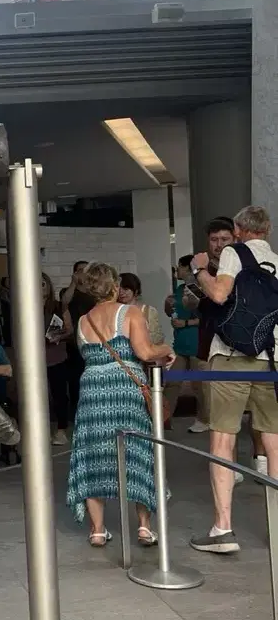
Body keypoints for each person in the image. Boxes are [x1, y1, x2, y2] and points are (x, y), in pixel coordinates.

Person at [189, 206, 278, 554]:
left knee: (223, 439)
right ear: (267, 229)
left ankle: (222, 529)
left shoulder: (232, 253)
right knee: (273, 442)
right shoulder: (276, 259)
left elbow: (220, 293)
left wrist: (199, 270)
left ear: (239, 230)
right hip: (271, 360)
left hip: (231, 358)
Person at [66, 262, 174, 547]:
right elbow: (146, 352)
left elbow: (87, 356)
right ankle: (143, 526)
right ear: (115, 286)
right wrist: (166, 349)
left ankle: (98, 529)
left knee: (93, 454)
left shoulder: (82, 321)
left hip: (91, 391)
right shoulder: (130, 313)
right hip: (125, 390)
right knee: (137, 451)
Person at [164, 255, 208, 434]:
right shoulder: (179, 289)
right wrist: (168, 305)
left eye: (179, 268)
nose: (177, 272)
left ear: (187, 268)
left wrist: (187, 323)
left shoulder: (197, 289)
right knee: (172, 383)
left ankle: (204, 419)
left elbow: (206, 317)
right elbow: (172, 312)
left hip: (197, 343)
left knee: (200, 386)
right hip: (180, 343)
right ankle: (164, 418)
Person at [61, 261, 94, 420]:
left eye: (86, 271)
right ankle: (77, 412)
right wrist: (74, 282)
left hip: (93, 341)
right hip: (74, 342)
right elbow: (64, 302)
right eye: (80, 270)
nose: (83, 274)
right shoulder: (69, 292)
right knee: (75, 379)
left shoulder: (94, 293)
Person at [43, 273, 70, 445]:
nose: (40, 288)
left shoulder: (58, 307)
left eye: (43, 284)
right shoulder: (25, 306)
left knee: (59, 394)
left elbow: (70, 329)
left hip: (56, 356)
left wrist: (58, 336)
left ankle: (61, 430)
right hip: (34, 359)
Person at [118, 273, 164, 344]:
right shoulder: (114, 311)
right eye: (118, 289)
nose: (121, 292)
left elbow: (157, 340)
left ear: (135, 290)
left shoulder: (148, 311)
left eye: (126, 289)